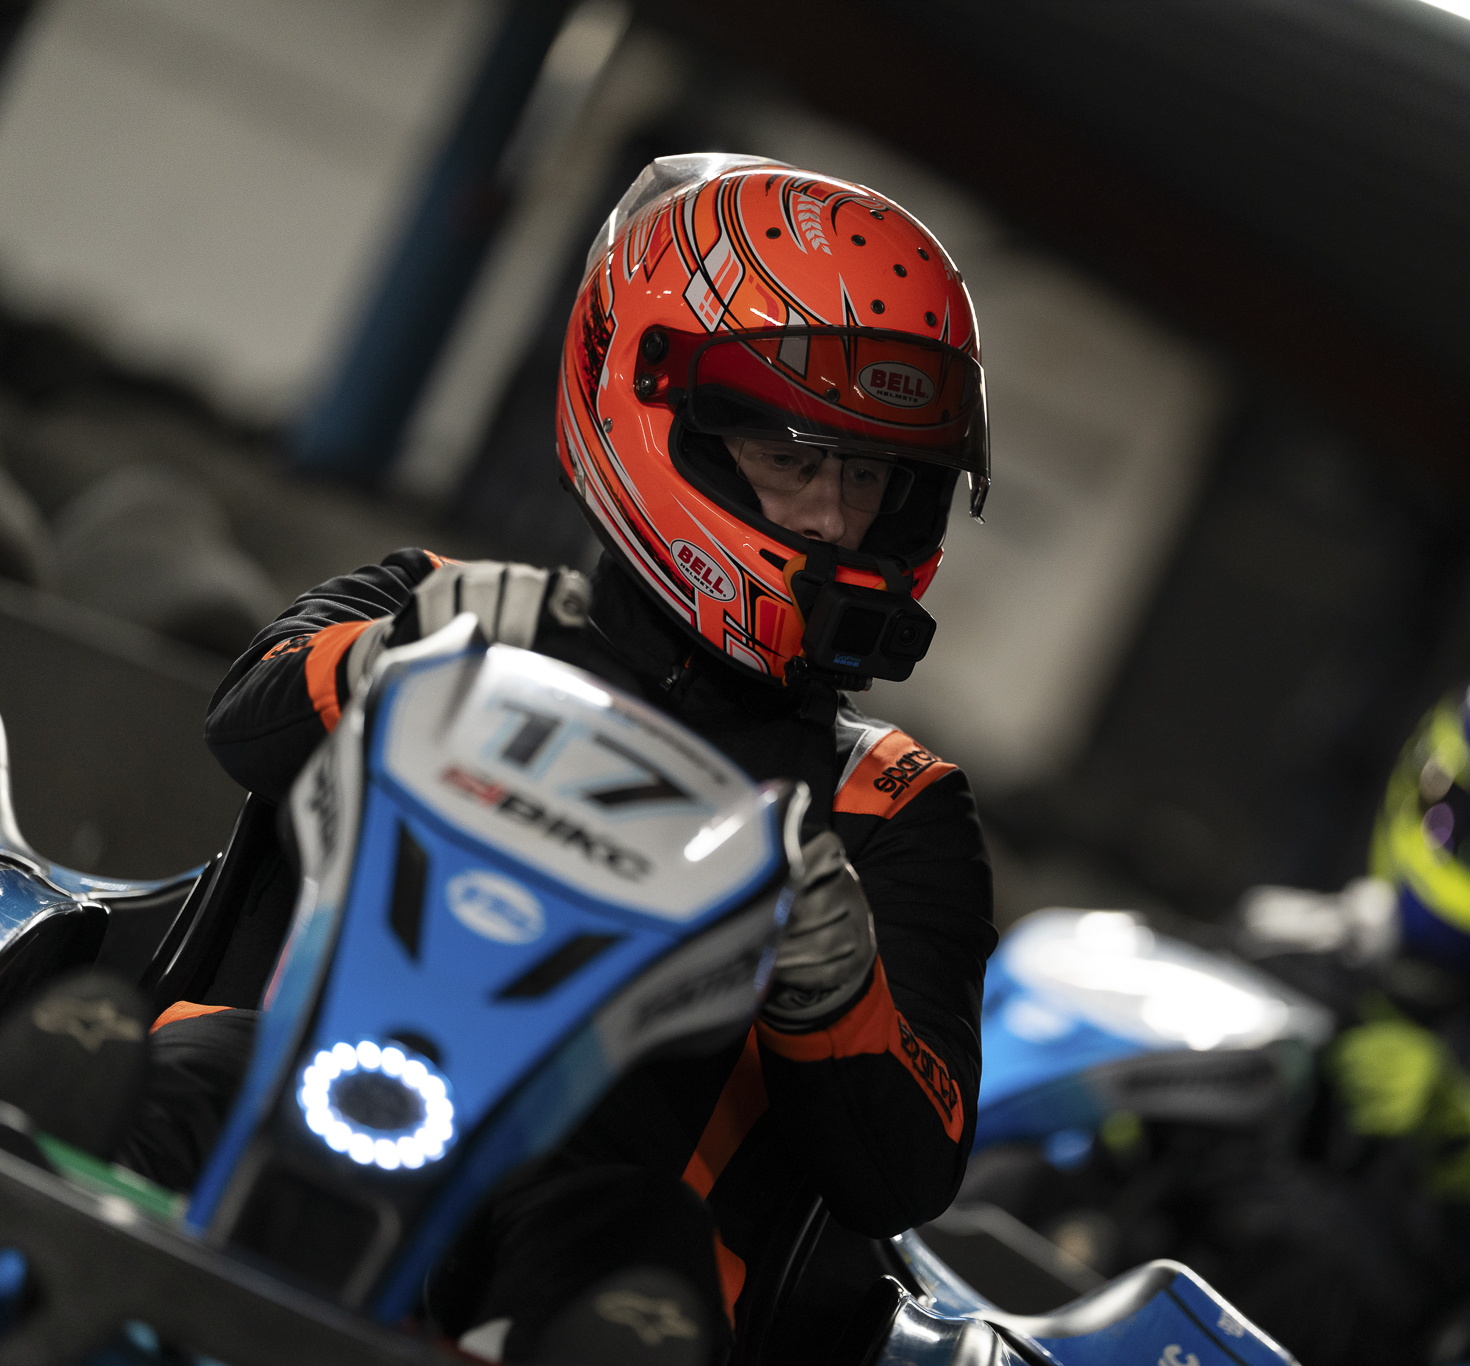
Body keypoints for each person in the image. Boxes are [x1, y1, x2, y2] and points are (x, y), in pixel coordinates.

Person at [117, 154, 998, 1364]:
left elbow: (904, 1170)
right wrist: (394, 659)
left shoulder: (892, 810)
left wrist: (833, 981)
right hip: (295, 1095)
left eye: (868, 478)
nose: (832, 520)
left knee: (637, 1261)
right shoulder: (436, 606)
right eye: (791, 460)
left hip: (587, 1252)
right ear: (653, 403)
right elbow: (245, 721)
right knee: (163, 1072)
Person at [965, 661, 1470, 1366]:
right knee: (1027, 1173)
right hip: (1168, 1245)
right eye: (1469, 821)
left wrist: (1461, 1143)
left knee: (1306, 1252)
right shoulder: (1289, 935)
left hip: (1357, 1321)